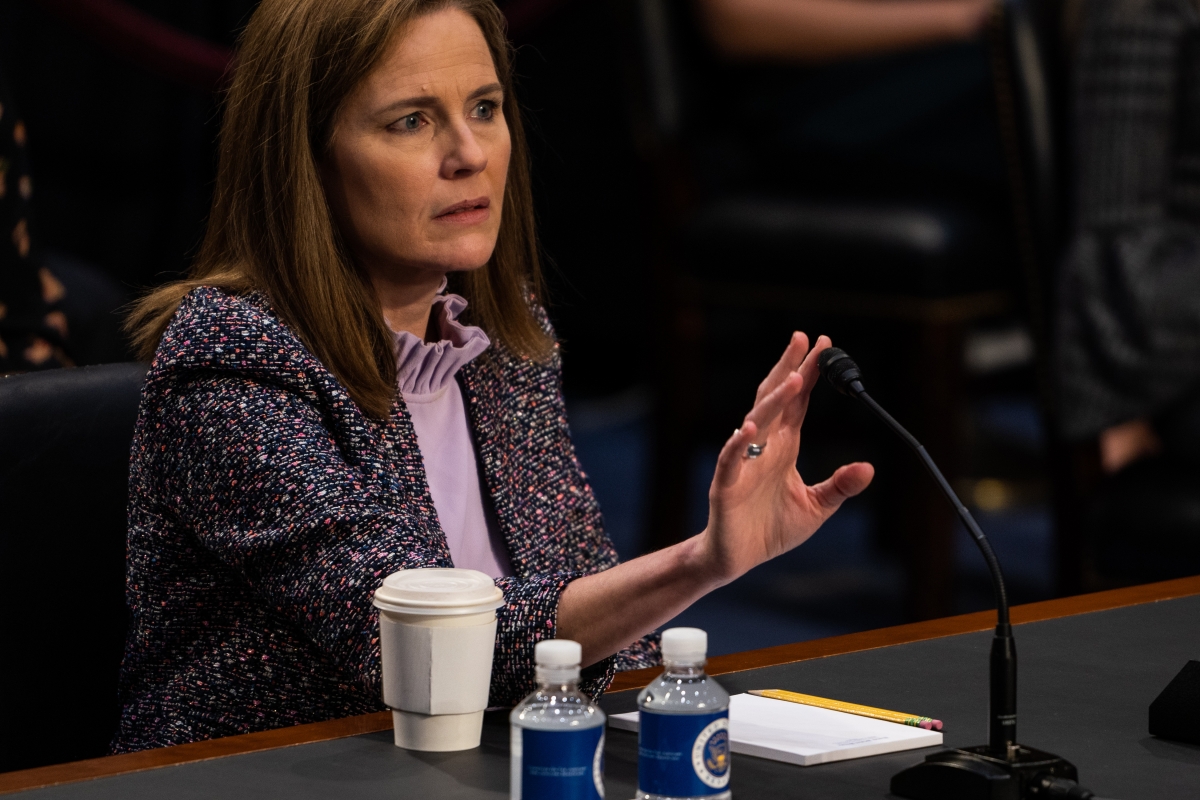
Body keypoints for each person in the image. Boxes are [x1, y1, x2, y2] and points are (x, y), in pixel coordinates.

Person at [114, 0, 874, 752]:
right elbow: (409, 646)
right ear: (305, 158)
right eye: (410, 120)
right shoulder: (234, 362)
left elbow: (583, 598)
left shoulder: (505, 339)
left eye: (484, 107)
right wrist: (701, 562)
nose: (469, 153)